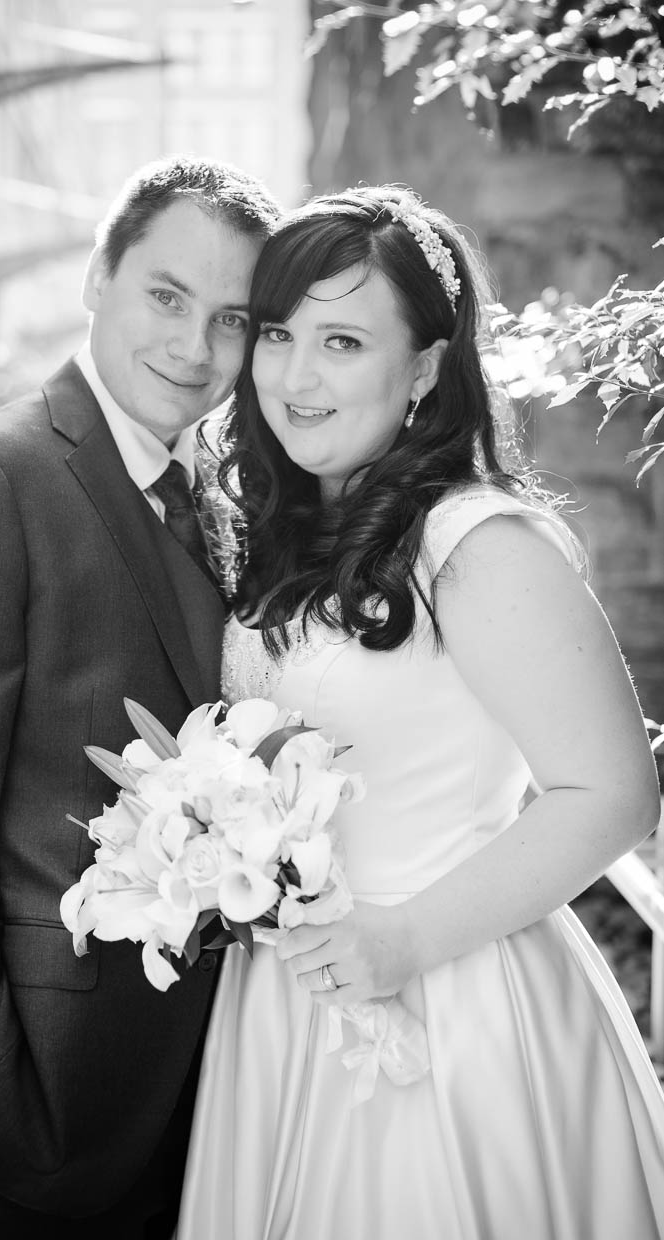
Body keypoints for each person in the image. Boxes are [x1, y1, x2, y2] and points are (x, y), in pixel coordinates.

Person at [176, 185, 664, 1238]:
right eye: (276, 334)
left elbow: (614, 792)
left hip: (447, 1000)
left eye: (342, 340)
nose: (294, 376)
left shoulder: (480, 545)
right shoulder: (281, 533)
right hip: (278, 1010)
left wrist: (402, 941)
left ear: (429, 369)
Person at [0, 154, 279, 1240]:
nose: (193, 346)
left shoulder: (211, 492)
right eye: (166, 297)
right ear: (98, 276)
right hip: (49, 1103)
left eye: (230, 319)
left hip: (221, 1086)